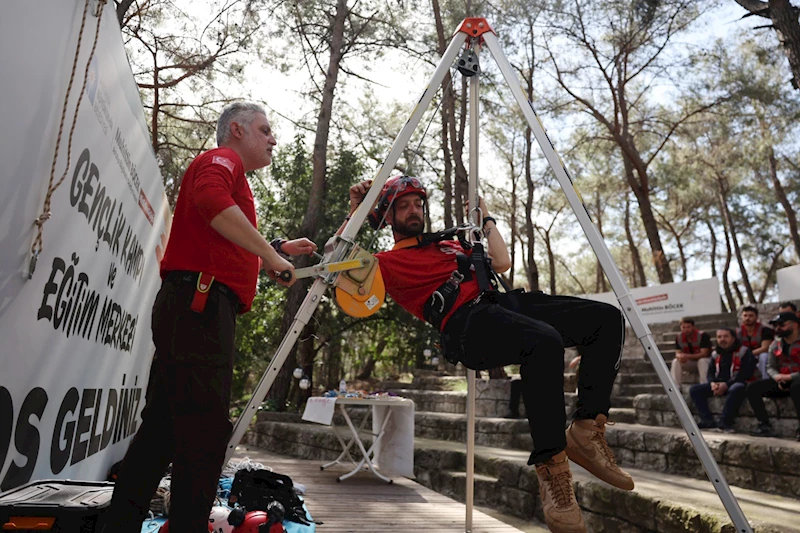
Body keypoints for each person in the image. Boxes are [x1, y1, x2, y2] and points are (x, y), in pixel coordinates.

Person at [347, 176, 632, 533]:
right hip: (465, 325)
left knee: (606, 319)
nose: (414, 210)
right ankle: (553, 471)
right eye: (403, 206)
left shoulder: (450, 244)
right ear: (388, 217)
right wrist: (357, 210)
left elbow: (501, 261)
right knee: (543, 341)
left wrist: (484, 216)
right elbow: (339, 265)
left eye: (417, 203)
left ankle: (587, 429)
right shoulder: (385, 263)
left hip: (501, 305)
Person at [102, 102, 317, 533]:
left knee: (162, 430)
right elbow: (210, 200)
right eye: (264, 128)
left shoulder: (233, 177)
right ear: (235, 131)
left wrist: (273, 249)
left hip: (192, 306)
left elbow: (218, 237)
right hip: (199, 308)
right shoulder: (220, 160)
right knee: (204, 434)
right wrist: (270, 254)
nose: (273, 138)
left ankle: (118, 525)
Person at [688, 328, 755, 432]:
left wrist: (726, 385)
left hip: (736, 383)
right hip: (719, 384)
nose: (722, 339)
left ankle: (725, 422)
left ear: (733, 338)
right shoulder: (716, 354)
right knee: (695, 389)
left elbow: (745, 374)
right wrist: (712, 383)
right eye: (719, 337)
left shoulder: (744, 351)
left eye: (725, 336)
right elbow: (710, 372)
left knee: (737, 388)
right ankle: (708, 421)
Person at [746, 311, 800, 441]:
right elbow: (770, 366)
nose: (778, 328)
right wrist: (777, 377)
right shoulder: (776, 344)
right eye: (776, 325)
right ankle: (764, 425)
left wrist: (790, 377)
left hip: (797, 381)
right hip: (782, 380)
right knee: (752, 388)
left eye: (781, 325)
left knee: (797, 387)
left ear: (795, 325)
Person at [670, 317, 712, 387]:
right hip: (690, 362)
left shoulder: (703, 336)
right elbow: (677, 353)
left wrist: (687, 356)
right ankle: (675, 387)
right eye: (683, 327)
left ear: (693, 327)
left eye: (688, 327)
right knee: (675, 361)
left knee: (702, 361)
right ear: (680, 328)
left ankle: (704, 386)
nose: (686, 330)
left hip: (705, 362)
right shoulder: (679, 337)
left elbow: (704, 354)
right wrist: (680, 356)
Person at [738, 305, 774, 379]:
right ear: (741, 317)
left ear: (757, 318)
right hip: (744, 355)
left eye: (751, 316)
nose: (747, 318)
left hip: (759, 355)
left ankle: (766, 381)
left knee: (764, 356)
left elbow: (765, 348)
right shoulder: (737, 332)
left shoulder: (765, 330)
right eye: (745, 316)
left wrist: (749, 354)